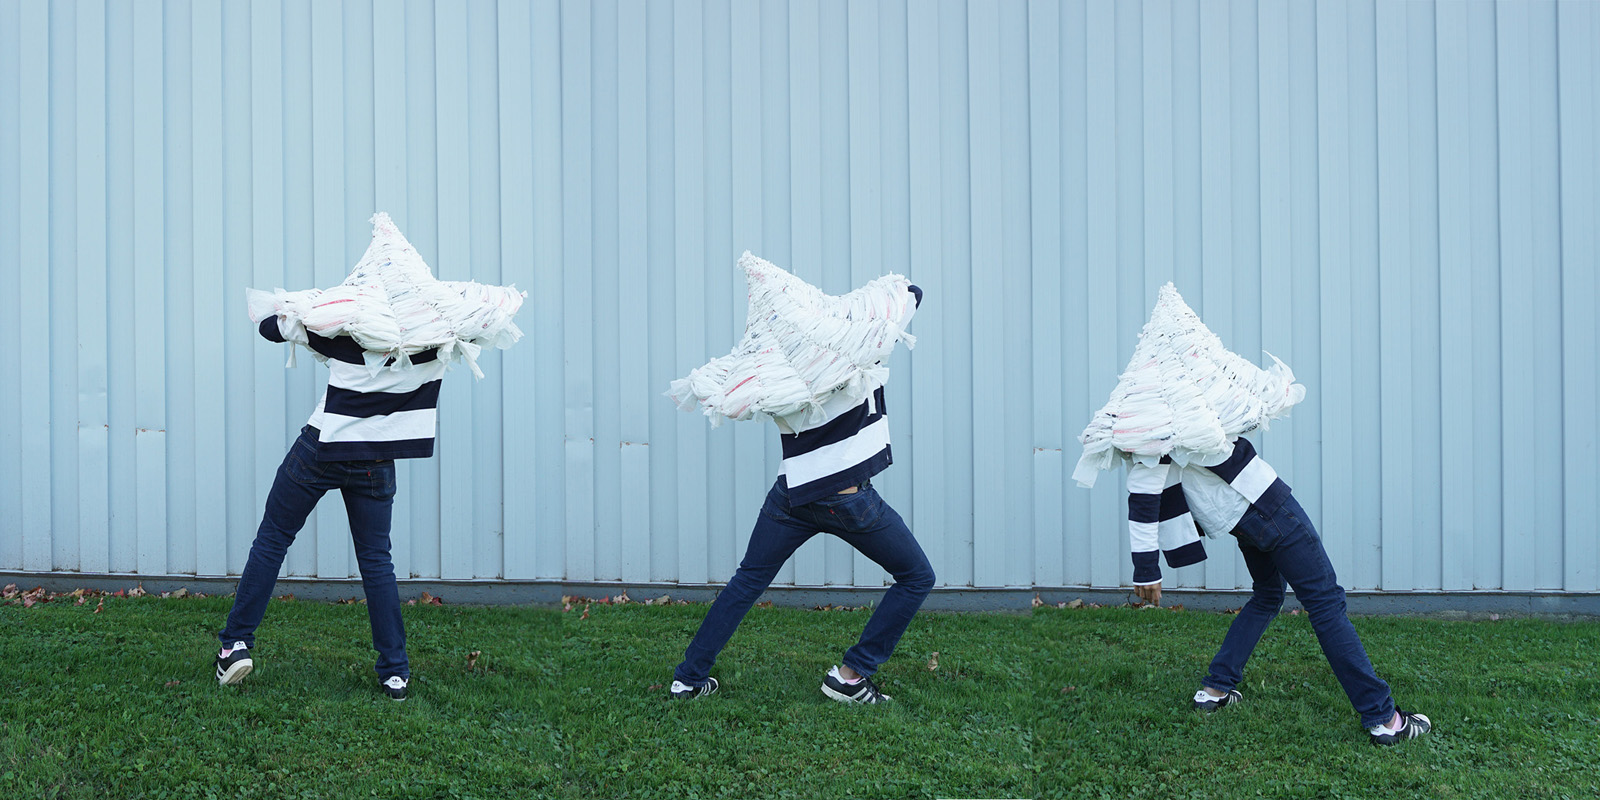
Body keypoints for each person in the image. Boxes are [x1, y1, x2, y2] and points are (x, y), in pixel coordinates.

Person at [1074, 282, 1430, 746]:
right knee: (1325, 601)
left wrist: (1147, 569)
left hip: (1241, 521)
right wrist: (1146, 569)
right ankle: (1384, 718)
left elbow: (1141, 497)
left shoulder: (1158, 426)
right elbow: (1144, 498)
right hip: (1269, 507)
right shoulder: (1191, 411)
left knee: (1268, 594)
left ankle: (1215, 689)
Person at [216, 212, 524, 701]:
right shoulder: (437, 339)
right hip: (377, 460)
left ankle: (235, 646)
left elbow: (271, 329)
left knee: (272, 539)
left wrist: (315, 308)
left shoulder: (343, 333)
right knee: (377, 562)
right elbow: (481, 321)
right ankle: (394, 672)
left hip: (321, 450)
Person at [667, 254, 931, 704]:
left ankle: (688, 679)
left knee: (747, 581)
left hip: (793, 494)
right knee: (917, 576)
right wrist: (834, 311)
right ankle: (850, 677)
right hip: (848, 498)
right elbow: (911, 295)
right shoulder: (853, 352)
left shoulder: (777, 380)